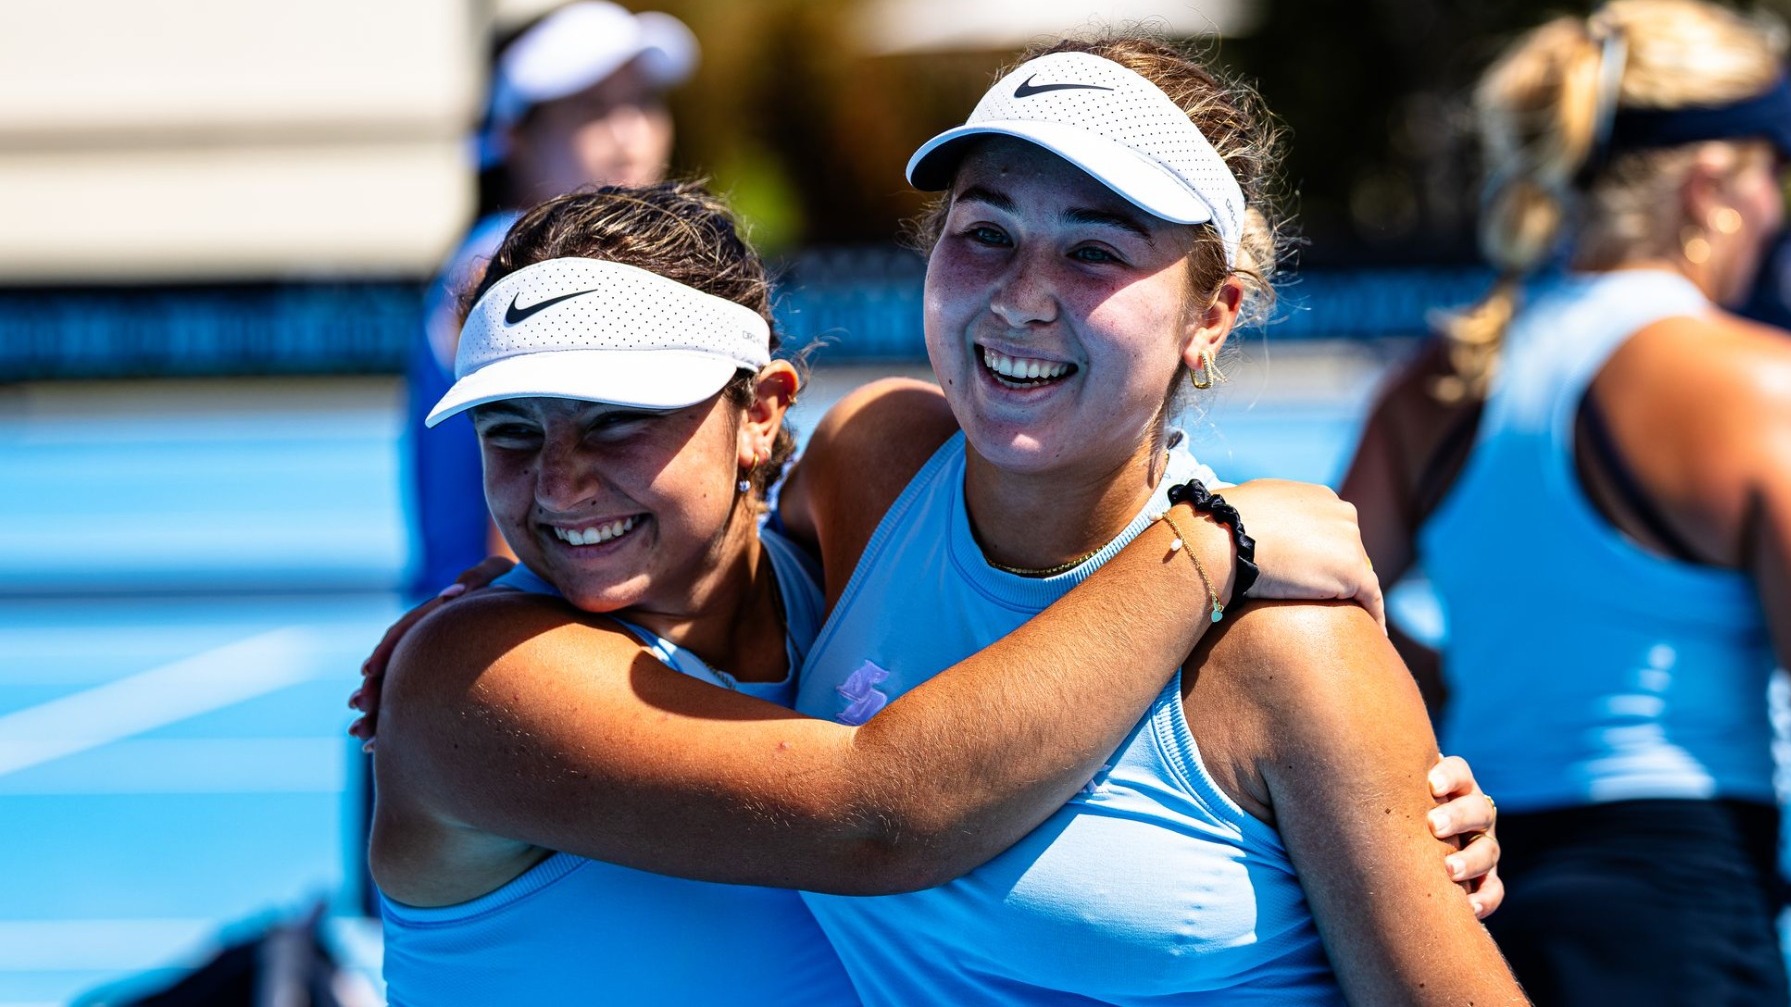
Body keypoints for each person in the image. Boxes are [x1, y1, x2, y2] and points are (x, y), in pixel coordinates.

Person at [358, 179, 1503, 1003]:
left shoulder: (850, 552)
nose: (560, 478)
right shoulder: (478, 683)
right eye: (512, 434)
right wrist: (1219, 544)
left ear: (764, 414)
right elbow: (877, 813)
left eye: (617, 422)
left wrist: (1366, 807)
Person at [769, 37, 1524, 1004]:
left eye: (1093, 252)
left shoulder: (1292, 652)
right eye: (985, 232)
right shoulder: (871, 461)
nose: (1020, 296)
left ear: (1209, 319)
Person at [1338, 1, 1791, 1002]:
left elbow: (1309, 612)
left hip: (1475, 906)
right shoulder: (1760, 386)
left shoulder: (1434, 383)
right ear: (1712, 186)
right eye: (1777, 173)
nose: (1777, 209)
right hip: (1683, 913)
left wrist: (1458, 689)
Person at [406, 0, 696, 601]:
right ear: (512, 135)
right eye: (591, 109)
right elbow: (528, 516)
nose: (628, 133)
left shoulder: (524, 256)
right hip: (507, 632)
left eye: (642, 102)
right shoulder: (508, 271)